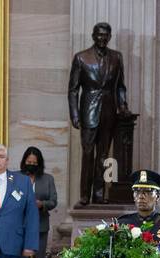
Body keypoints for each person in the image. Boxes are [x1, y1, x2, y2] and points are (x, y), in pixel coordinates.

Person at [68, 22, 129, 206]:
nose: (103, 38)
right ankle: (85, 195)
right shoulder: (81, 58)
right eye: (99, 35)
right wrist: (75, 115)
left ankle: (99, 194)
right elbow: (73, 89)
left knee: (104, 156)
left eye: (106, 35)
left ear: (109, 37)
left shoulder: (117, 57)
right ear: (93, 36)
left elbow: (120, 86)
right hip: (88, 112)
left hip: (109, 113)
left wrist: (123, 105)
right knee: (88, 154)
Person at [21, 147, 58, 258]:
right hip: (19, 227)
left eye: (34, 163)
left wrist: (41, 204)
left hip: (40, 226)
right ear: (24, 161)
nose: (31, 165)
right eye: (29, 162)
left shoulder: (48, 179)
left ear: (39, 163)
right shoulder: (15, 177)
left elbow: (53, 201)